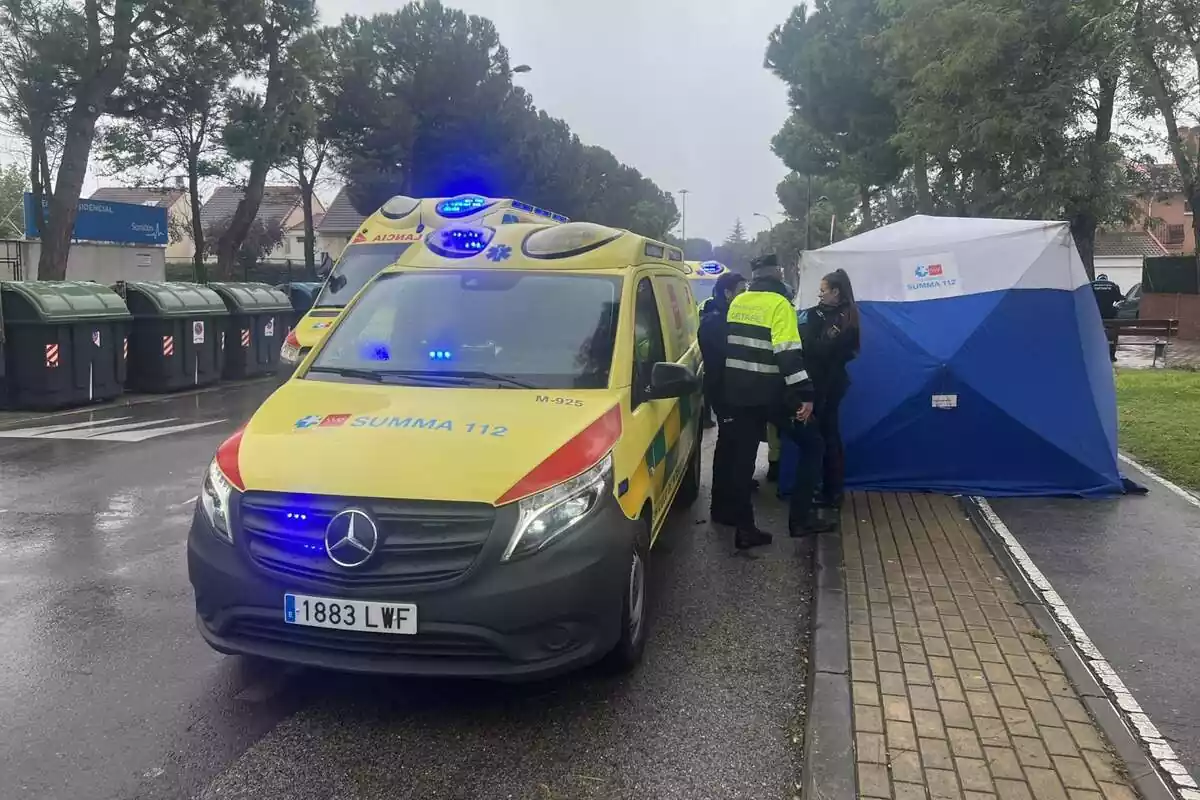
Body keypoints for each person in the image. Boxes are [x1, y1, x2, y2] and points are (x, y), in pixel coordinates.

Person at [719, 254, 828, 548]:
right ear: (777, 275)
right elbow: (788, 354)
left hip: (740, 395)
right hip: (772, 395)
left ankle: (744, 529)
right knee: (813, 444)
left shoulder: (738, 302)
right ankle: (800, 520)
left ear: (755, 277)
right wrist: (806, 394)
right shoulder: (780, 305)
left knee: (742, 463)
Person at [798, 268, 861, 514]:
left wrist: (807, 330)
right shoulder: (835, 314)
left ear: (836, 292)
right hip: (827, 381)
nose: (820, 295)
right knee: (826, 435)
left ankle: (832, 492)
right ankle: (828, 488)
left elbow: (821, 349)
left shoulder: (842, 318)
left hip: (828, 383)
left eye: (824, 291)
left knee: (827, 437)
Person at [698, 272, 748, 519]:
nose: (745, 295)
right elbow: (726, 356)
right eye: (741, 290)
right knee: (727, 446)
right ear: (728, 293)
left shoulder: (724, 315)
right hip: (723, 391)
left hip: (729, 389)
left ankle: (727, 498)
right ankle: (721, 506)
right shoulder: (715, 321)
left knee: (731, 444)